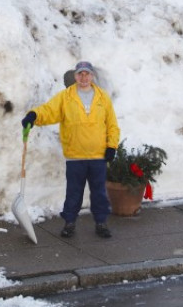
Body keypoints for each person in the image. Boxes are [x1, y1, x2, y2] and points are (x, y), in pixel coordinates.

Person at [21, 61, 120, 239]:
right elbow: (49, 111)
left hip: (98, 156)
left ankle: (101, 223)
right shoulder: (65, 97)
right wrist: (33, 115)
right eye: (80, 74)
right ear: (75, 76)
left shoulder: (103, 98)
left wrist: (111, 146)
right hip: (75, 156)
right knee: (74, 193)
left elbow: (112, 125)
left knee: (99, 193)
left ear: (92, 76)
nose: (84, 77)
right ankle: (69, 223)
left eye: (87, 74)